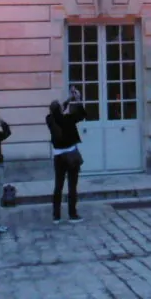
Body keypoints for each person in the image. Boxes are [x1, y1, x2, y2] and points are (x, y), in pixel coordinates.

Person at [46, 87, 87, 223]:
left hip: (59, 157)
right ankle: (72, 214)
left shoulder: (50, 120)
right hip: (71, 155)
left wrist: (68, 100)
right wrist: (78, 99)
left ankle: (56, 216)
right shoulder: (68, 119)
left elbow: (57, 112)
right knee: (72, 186)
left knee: (58, 186)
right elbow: (82, 115)